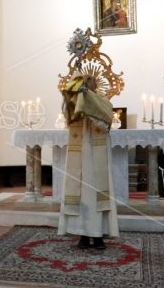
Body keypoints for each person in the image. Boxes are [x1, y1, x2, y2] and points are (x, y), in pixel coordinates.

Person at [58, 71, 118, 250]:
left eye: (89, 83)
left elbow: (105, 122)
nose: (87, 86)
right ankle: (83, 235)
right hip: (79, 157)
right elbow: (68, 113)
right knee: (81, 195)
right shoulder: (78, 101)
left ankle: (98, 236)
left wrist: (88, 101)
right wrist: (73, 95)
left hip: (96, 158)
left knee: (96, 197)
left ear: (95, 85)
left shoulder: (103, 102)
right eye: (84, 83)